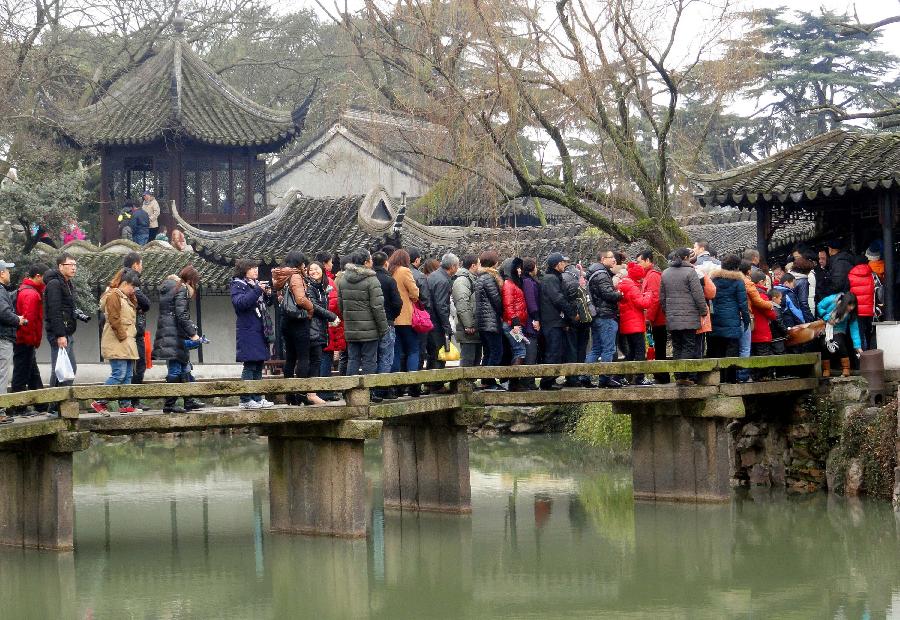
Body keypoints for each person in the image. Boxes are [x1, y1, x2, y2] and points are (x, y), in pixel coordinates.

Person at [338, 249, 388, 396]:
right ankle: (368, 393)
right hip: (370, 329)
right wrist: (383, 328)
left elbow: (341, 306)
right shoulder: (372, 280)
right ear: (366, 262)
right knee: (369, 361)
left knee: (353, 359)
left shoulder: (343, 280)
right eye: (370, 260)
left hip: (351, 327)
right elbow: (377, 307)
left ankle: (350, 393)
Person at [153, 266, 202, 414]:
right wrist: (193, 333)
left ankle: (188, 401)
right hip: (173, 335)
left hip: (171, 333)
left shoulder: (172, 289)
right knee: (175, 369)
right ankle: (169, 405)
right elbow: (181, 314)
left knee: (183, 367)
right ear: (191, 280)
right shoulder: (181, 290)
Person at [94, 270, 142, 415]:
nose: (133, 290)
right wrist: (122, 337)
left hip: (126, 341)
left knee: (127, 374)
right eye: (132, 287)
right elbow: (114, 318)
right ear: (125, 283)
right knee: (119, 374)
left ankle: (125, 405)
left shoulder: (125, 297)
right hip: (117, 341)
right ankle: (100, 402)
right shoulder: (114, 295)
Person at [272, 251, 316, 406]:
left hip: (286, 320)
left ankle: (290, 395)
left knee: (290, 358)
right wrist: (311, 309)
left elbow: (279, 296)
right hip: (298, 320)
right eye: (303, 263)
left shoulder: (281, 276)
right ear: (299, 263)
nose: (304, 266)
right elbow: (300, 299)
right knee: (304, 357)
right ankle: (301, 394)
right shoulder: (295, 275)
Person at [230, 259, 274, 409]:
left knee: (259, 363)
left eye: (256, 268)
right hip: (248, 330)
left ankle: (257, 397)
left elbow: (263, 304)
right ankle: (245, 399)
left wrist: (267, 294)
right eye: (252, 268)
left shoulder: (254, 285)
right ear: (244, 270)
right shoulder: (238, 284)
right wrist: (257, 291)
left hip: (259, 328)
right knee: (250, 364)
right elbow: (240, 303)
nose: (256, 270)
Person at [659, 248, 707, 386]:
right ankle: (683, 376)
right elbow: (698, 295)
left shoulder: (665, 273)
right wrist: (703, 311)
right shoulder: (690, 272)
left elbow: (662, 297)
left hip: (672, 317)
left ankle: (678, 375)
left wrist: (667, 311)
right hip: (689, 316)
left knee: (677, 345)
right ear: (686, 257)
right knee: (688, 345)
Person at [10, 262, 48, 418]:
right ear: (38, 276)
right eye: (45, 277)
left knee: (32, 373)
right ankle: (18, 407)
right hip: (25, 339)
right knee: (21, 373)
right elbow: (28, 320)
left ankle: (41, 405)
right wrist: (31, 340)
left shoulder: (26, 290)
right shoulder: (31, 294)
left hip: (24, 339)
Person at [707, 255, 750, 383]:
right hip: (732, 321)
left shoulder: (713, 279)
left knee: (718, 350)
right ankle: (730, 380)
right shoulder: (738, 282)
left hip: (715, 320)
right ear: (736, 267)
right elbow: (743, 304)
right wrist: (747, 320)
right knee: (732, 351)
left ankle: (718, 380)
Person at [44, 253, 81, 401]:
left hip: (67, 332)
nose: (73, 268)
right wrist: (60, 335)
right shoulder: (54, 284)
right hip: (59, 334)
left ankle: (59, 404)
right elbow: (54, 310)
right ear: (60, 266)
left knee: (69, 369)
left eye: (75, 265)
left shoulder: (67, 283)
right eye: (70, 265)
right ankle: (54, 406)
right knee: (60, 370)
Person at [585, 250, 623, 388]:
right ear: (602, 259)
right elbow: (607, 293)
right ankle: (605, 378)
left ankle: (585, 375)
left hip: (596, 316)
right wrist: (619, 294)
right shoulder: (601, 274)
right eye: (611, 257)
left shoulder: (593, 272)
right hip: (605, 315)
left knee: (596, 349)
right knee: (608, 349)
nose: (614, 259)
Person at [539, 253, 577, 390]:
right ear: (557, 264)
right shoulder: (550, 279)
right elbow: (558, 298)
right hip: (552, 321)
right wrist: (571, 314)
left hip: (555, 320)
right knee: (553, 351)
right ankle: (547, 382)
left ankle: (550, 380)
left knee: (557, 350)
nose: (564, 265)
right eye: (562, 262)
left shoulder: (552, 278)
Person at [389, 249, 421, 392]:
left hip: (392, 319)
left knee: (396, 351)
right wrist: (413, 298)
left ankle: (396, 386)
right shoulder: (404, 271)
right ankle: (413, 384)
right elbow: (414, 292)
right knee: (413, 350)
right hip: (406, 318)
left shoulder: (388, 270)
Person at [306, 262, 339, 403]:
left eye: (316, 269)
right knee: (318, 360)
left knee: (320, 359)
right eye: (310, 270)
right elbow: (315, 306)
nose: (313, 272)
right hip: (315, 327)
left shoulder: (324, 286)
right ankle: (315, 393)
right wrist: (331, 316)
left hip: (324, 327)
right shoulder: (310, 287)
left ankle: (317, 392)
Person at [124, 252, 152, 411]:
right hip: (134, 329)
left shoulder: (123, 275)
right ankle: (132, 400)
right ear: (135, 264)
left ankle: (131, 401)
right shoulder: (131, 278)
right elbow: (146, 303)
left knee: (134, 366)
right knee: (137, 365)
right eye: (141, 264)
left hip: (135, 328)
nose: (142, 267)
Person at [616, 262, 652, 385]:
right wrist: (648, 295)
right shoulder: (632, 287)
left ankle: (621, 376)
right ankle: (640, 377)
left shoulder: (623, 284)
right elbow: (643, 303)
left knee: (630, 352)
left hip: (626, 323)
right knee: (640, 351)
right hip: (635, 323)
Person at [738, 259, 773, 382]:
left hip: (732, 318)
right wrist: (771, 305)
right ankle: (744, 377)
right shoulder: (750, 285)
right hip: (753, 324)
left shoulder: (730, 280)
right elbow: (760, 303)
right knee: (746, 349)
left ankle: (741, 376)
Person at [371, 252, 400, 399]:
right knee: (386, 356)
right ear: (386, 263)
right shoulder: (389, 280)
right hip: (387, 322)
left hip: (370, 324)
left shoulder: (369, 279)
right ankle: (382, 389)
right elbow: (397, 303)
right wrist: (392, 316)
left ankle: (372, 389)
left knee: (372, 356)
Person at [637, 249, 668, 384]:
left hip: (657, 319)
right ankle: (660, 375)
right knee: (657, 348)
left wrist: (649, 317)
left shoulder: (653, 276)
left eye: (640, 262)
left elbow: (655, 299)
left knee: (659, 349)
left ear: (648, 260)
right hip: (655, 319)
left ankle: (662, 376)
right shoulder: (648, 275)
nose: (638, 265)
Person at [474, 250, 505, 390]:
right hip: (491, 321)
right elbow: (496, 300)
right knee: (496, 351)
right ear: (494, 263)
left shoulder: (480, 277)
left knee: (488, 352)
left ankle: (486, 380)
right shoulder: (489, 278)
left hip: (483, 321)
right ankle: (489, 381)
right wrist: (503, 313)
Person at [426, 254, 458, 382]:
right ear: (452, 266)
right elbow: (441, 305)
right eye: (457, 265)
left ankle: (430, 383)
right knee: (439, 354)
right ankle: (436, 384)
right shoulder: (443, 281)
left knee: (432, 354)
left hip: (430, 320)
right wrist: (446, 325)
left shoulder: (433, 276)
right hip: (437, 323)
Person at [0, 260, 25, 424]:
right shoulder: (0, 290)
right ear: (2, 273)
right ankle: (1, 411)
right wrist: (18, 319)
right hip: (3, 338)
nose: (9, 273)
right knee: (2, 374)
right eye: (8, 270)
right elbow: (4, 312)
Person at [501, 257, 530, 391]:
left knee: (519, 350)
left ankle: (514, 382)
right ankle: (513, 382)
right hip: (512, 324)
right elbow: (508, 305)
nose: (520, 270)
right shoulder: (508, 284)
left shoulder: (513, 284)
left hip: (514, 323)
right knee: (520, 350)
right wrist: (515, 322)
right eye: (517, 268)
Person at [817, 292, 862, 378]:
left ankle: (846, 368)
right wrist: (827, 317)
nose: (851, 308)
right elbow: (819, 306)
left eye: (853, 305)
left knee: (839, 343)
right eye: (849, 305)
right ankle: (826, 369)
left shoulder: (851, 313)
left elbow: (854, 329)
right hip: (826, 326)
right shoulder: (832, 300)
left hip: (839, 329)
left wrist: (857, 346)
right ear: (844, 303)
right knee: (824, 344)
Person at [452, 254, 482, 368]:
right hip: (468, 329)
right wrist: (469, 324)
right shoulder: (462, 281)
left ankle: (470, 384)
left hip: (474, 328)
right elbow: (462, 303)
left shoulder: (472, 279)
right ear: (473, 266)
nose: (480, 267)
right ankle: (463, 385)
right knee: (468, 361)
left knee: (475, 359)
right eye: (479, 264)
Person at [748, 271, 777, 380]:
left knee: (753, 355)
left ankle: (754, 377)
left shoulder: (748, 293)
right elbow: (771, 314)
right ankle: (764, 377)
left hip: (751, 330)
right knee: (763, 355)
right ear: (761, 282)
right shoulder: (761, 295)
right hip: (762, 331)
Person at [408, 248, 431, 370]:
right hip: (418, 319)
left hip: (403, 319)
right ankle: (415, 385)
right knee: (418, 349)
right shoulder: (420, 276)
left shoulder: (395, 273)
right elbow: (426, 300)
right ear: (416, 260)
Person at [848, 256, 875, 350]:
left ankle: (862, 354)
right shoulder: (872, 274)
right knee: (869, 332)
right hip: (870, 310)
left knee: (859, 333)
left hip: (856, 310)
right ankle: (871, 353)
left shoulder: (850, 275)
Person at [521, 257, 542, 367]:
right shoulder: (528, 282)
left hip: (528, 320)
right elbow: (531, 302)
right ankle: (528, 380)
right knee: (531, 350)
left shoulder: (525, 280)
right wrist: (536, 318)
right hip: (530, 322)